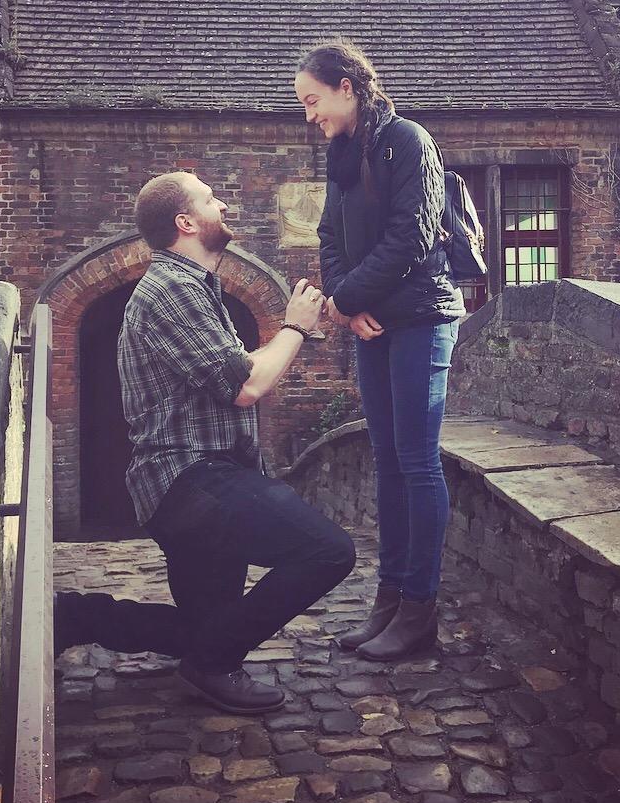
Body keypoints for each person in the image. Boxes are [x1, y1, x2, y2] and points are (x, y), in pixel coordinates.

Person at [55, 170, 356, 715]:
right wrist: (294, 326)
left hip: (199, 484)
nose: (224, 204)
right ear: (186, 222)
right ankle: (212, 664)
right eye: (211, 199)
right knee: (327, 552)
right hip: (193, 481)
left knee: (203, 626)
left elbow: (239, 372)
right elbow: (247, 385)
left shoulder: (194, 288)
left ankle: (72, 617)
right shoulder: (171, 289)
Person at [295, 38, 465, 661]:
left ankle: (421, 609)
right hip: (372, 323)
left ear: (347, 87)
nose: (310, 115)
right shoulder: (343, 158)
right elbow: (328, 238)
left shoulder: (407, 142)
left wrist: (346, 299)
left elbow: (412, 236)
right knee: (388, 460)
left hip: (420, 319)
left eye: (314, 100)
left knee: (418, 461)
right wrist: (344, 298)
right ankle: (389, 600)